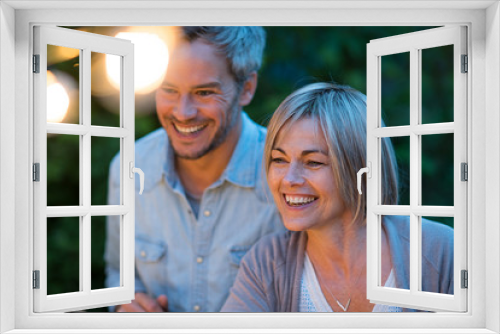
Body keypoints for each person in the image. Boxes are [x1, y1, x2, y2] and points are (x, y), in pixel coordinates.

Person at [221, 82, 454, 312]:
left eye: (313, 162)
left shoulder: (440, 251)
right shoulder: (266, 263)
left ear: (361, 169)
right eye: (279, 159)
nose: (289, 179)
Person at [105, 26, 285, 312]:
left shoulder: (287, 177)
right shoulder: (130, 166)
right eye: (168, 90)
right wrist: (124, 304)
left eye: (204, 92)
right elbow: (117, 270)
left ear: (247, 88)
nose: (183, 112)